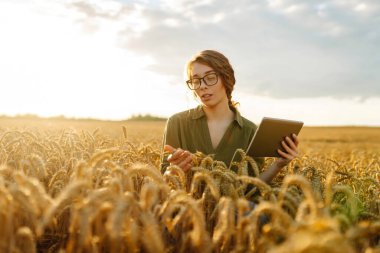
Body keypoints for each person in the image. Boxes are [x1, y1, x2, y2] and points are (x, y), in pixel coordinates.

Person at [160, 50, 299, 184]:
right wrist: (172, 173)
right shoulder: (176, 123)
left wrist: (278, 165)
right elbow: (164, 179)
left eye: (210, 78)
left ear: (226, 79)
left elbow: (252, 186)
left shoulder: (249, 130)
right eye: (195, 81)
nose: (202, 86)